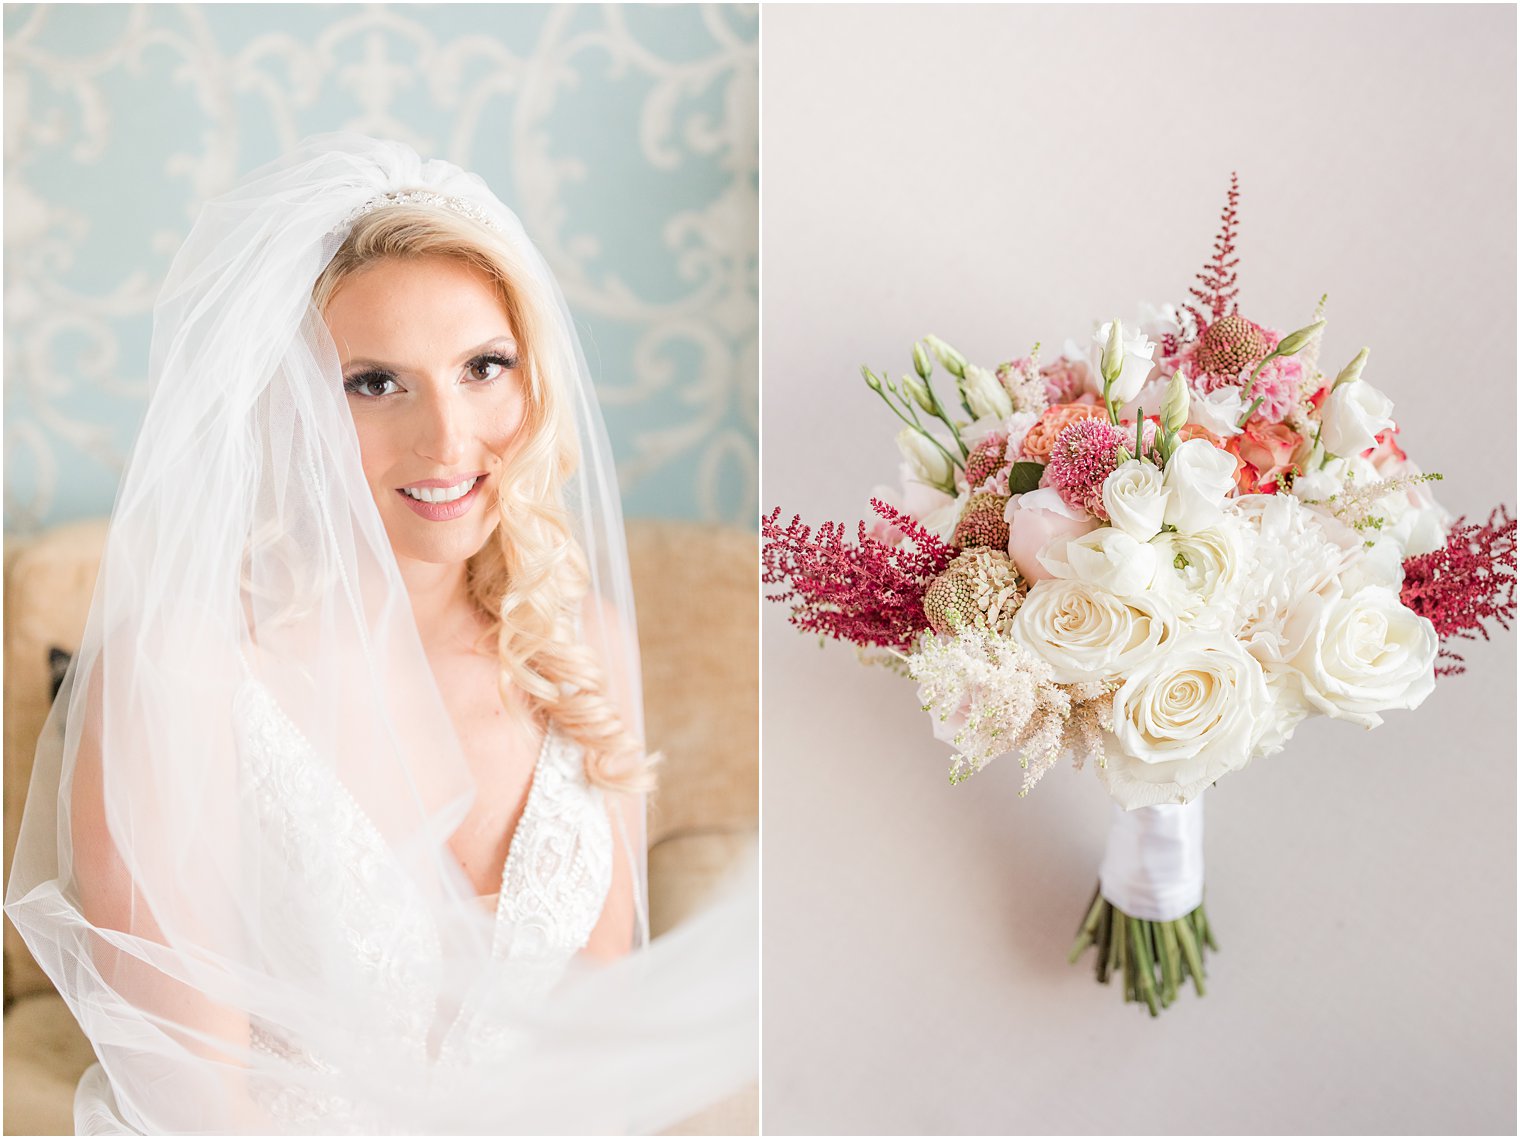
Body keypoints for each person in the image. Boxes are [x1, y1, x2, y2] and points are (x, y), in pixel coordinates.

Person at [5, 134, 755, 1135]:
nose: (448, 439)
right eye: (374, 382)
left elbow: (596, 1013)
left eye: (484, 366)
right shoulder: (185, 668)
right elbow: (190, 1091)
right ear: (282, 405)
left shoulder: (575, 637)